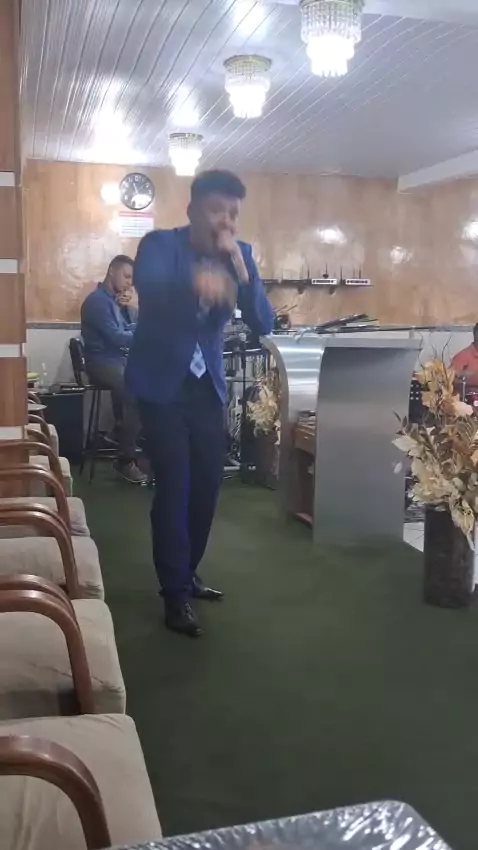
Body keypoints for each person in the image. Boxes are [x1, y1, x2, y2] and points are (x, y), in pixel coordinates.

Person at [126, 169, 274, 637]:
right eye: (216, 210)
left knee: (208, 485)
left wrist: (242, 274)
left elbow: (264, 322)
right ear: (192, 211)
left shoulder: (239, 254)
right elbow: (152, 289)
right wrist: (197, 282)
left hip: (206, 388)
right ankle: (174, 594)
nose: (225, 221)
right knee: (176, 483)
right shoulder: (159, 246)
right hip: (160, 385)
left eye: (233, 213)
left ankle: (187, 573)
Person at [81, 255, 147, 484]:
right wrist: (146, 333)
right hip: (101, 363)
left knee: (146, 386)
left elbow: (125, 328)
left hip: (115, 360)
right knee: (137, 395)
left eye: (132, 279)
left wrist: (137, 320)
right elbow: (117, 337)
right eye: (126, 276)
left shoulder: (110, 301)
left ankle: (120, 432)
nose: (129, 282)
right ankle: (125, 459)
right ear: (112, 271)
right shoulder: (98, 302)